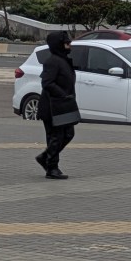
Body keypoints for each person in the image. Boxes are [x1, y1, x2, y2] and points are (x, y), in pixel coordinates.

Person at [36, 30, 79, 180]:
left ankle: (45, 158)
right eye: (67, 43)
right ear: (58, 45)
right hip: (52, 107)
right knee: (55, 136)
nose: (69, 45)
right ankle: (52, 167)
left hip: (63, 106)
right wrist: (62, 94)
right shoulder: (53, 61)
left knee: (68, 134)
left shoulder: (63, 60)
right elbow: (47, 83)